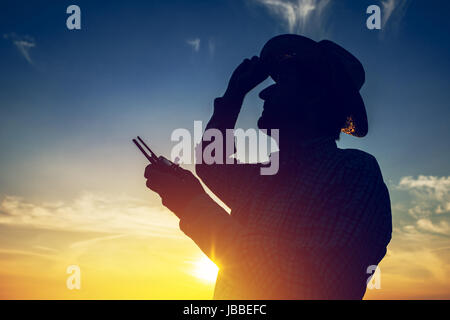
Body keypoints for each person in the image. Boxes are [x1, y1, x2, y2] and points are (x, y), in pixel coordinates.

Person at [143, 34, 392, 299]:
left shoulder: (354, 173)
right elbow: (211, 164)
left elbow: (307, 283)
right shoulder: (273, 172)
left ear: (314, 97)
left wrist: (194, 206)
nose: (264, 91)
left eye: (282, 82)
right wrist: (233, 95)